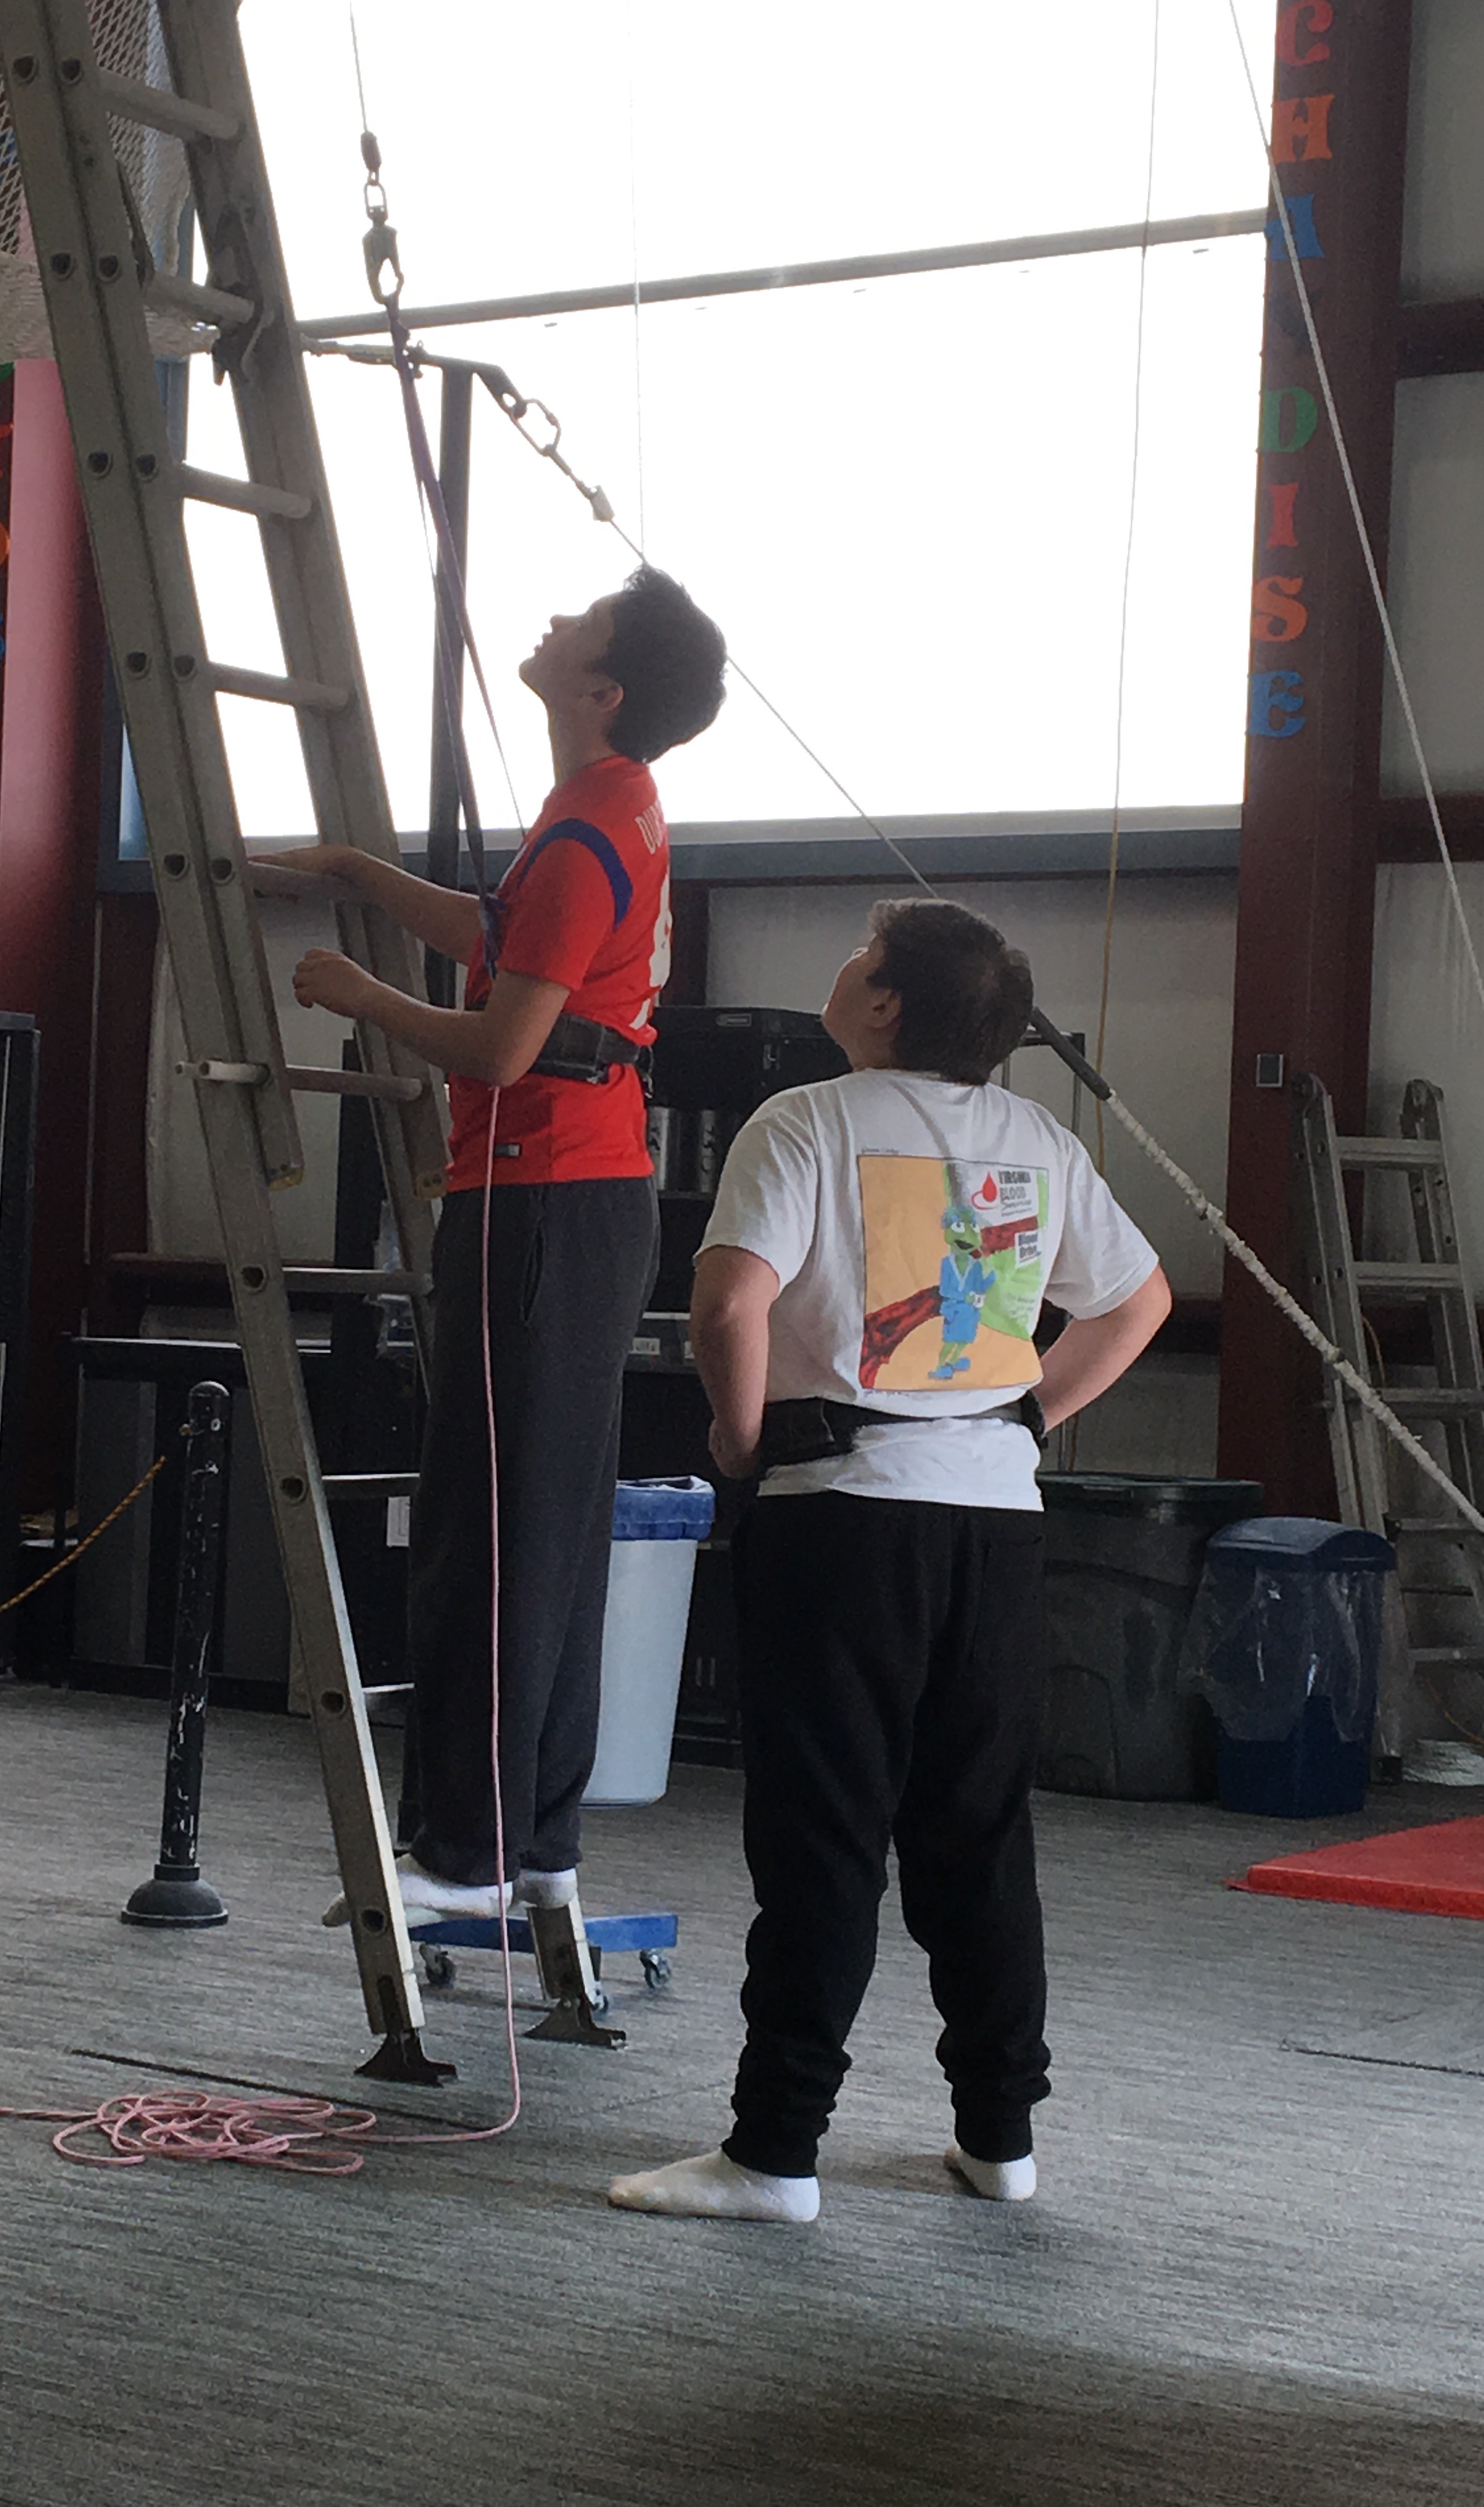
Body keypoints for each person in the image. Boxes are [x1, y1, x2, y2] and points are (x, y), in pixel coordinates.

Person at [608, 898, 1171, 2223]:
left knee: (823, 1832)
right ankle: (1001, 2140)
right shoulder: (1037, 1139)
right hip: (996, 1522)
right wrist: (1023, 1419)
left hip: (844, 1513)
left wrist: (741, 1438)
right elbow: (1138, 1302)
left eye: (861, 956)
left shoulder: (804, 1121)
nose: (846, 967)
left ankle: (774, 2153)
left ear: (884, 1006)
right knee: (979, 1833)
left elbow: (728, 1302)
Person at [280, 565, 727, 1920]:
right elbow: (503, 936)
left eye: (582, 623)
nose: (553, 623)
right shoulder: (604, 807)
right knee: (545, 1524)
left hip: (541, 1203)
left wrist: (359, 993)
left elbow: (501, 1042)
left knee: (492, 1527)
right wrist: (363, 875)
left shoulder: (589, 832)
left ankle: (468, 1853)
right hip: (571, 1202)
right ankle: (535, 1835)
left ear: (605, 688)